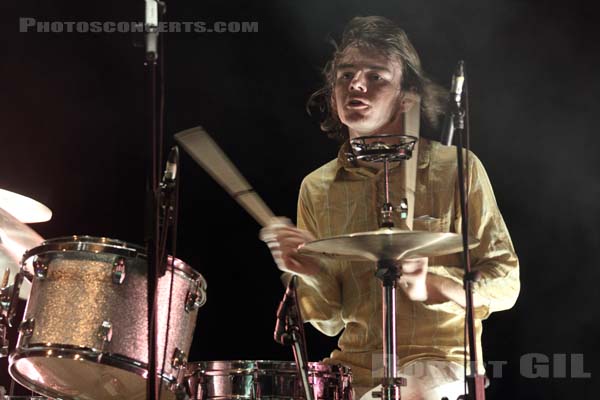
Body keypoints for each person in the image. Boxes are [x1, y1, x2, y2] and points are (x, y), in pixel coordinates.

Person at [261, 16, 519, 400]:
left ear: (407, 96)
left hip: (440, 364)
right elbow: (330, 321)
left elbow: (506, 285)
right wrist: (309, 270)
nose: (356, 85)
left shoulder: (457, 168)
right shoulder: (317, 187)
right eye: (345, 75)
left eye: (376, 76)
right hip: (355, 368)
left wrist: (435, 284)